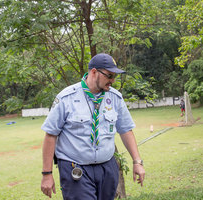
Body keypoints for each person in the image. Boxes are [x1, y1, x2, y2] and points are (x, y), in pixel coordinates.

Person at [41, 53, 145, 199]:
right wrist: (47, 174)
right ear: (94, 72)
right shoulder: (66, 98)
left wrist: (137, 162)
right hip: (76, 168)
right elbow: (50, 135)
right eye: (109, 76)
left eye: (115, 76)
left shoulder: (115, 98)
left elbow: (126, 129)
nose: (113, 80)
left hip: (107, 168)